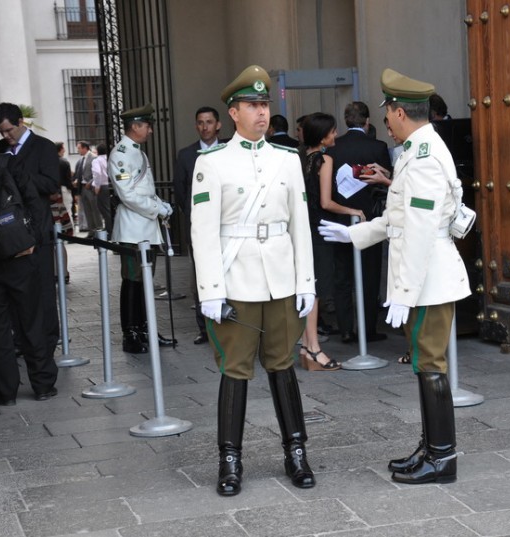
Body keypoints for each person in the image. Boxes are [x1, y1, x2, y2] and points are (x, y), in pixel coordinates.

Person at [319, 68, 471, 485]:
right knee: (425, 365)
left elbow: (420, 231)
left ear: (401, 112)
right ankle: (430, 447)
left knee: (431, 365)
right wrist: (354, 234)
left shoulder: (422, 157)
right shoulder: (417, 149)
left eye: (388, 112)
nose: (384, 119)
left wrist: (403, 293)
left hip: (428, 279)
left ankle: (442, 458)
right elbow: (397, 220)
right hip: (424, 277)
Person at [190, 64, 316, 496]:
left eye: (265, 105)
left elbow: (300, 222)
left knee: (283, 365)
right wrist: (210, 290)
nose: (261, 113)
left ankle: (296, 451)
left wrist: (306, 281)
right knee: (236, 370)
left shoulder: (287, 159)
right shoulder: (212, 163)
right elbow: (202, 231)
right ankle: (230, 460)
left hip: (280, 278)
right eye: (252, 105)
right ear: (233, 112)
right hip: (236, 280)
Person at [0, 117, 59, 405]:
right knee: (31, 321)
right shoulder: (10, 164)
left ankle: (6, 391)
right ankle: (43, 385)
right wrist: (29, 241)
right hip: (21, 258)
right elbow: (34, 203)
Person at [0, 102, 61, 400]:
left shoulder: (43, 147)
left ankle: (47, 343)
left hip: (38, 229)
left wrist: (18, 175)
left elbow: (51, 183)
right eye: (1, 131)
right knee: (20, 296)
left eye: (9, 129)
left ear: (21, 122)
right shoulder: (0, 148)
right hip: (12, 235)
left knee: (43, 291)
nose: (6, 135)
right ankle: (25, 344)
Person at [108, 103, 176, 354]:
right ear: (135, 126)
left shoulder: (139, 152)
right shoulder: (121, 153)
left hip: (146, 227)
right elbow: (127, 194)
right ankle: (131, 333)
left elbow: (145, 190)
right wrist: (156, 209)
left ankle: (146, 328)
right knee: (132, 282)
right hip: (132, 229)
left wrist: (161, 204)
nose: (151, 131)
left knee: (145, 281)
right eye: (147, 126)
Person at [325, 101, 392, 344]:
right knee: (370, 275)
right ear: (367, 121)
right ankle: (368, 329)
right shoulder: (378, 147)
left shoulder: (333, 148)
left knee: (342, 276)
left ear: (345, 121)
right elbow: (385, 184)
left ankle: (345, 329)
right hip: (370, 220)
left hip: (340, 218)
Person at [172, 106, 225, 345]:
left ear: (218, 125)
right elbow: (181, 191)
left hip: (228, 224)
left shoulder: (229, 150)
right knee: (201, 275)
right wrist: (196, 216)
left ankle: (230, 324)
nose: (205, 127)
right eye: (201, 122)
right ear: (196, 126)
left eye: (209, 122)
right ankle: (204, 328)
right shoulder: (186, 155)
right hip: (199, 227)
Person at [298, 113, 342, 371]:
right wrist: (353, 211)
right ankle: (314, 348)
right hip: (320, 230)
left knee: (307, 286)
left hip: (304, 230)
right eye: (333, 131)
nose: (335, 135)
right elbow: (326, 202)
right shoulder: (325, 160)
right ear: (323, 135)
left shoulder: (300, 160)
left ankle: (306, 345)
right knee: (314, 292)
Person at [54, 142, 73, 284]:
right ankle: (63, 272)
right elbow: (68, 180)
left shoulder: (50, 163)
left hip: (54, 197)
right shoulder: (64, 162)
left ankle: (58, 272)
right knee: (59, 241)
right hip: (62, 193)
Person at [74, 141, 102, 237]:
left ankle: (99, 229)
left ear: (85, 148)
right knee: (87, 210)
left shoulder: (93, 158)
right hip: (82, 188)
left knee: (94, 209)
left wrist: (90, 182)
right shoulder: (82, 159)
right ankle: (91, 231)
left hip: (90, 188)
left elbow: (98, 173)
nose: (78, 150)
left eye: (79, 148)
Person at [91, 143, 113, 238]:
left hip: (103, 186)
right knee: (112, 209)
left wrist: (97, 186)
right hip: (112, 185)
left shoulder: (97, 161)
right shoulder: (110, 159)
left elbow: (97, 173)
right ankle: (113, 229)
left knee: (104, 210)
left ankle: (110, 231)